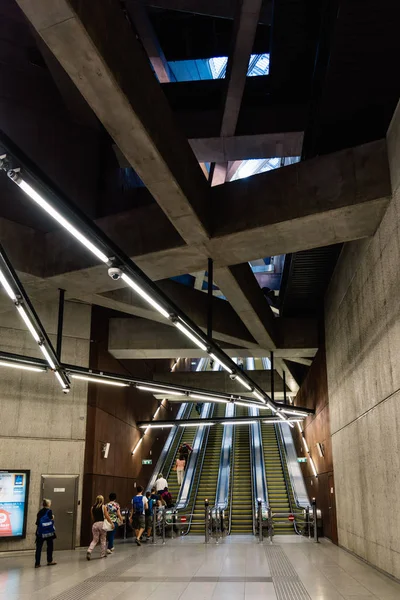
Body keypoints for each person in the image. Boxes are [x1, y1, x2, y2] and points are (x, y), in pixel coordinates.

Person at [87, 495, 114, 560]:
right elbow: (107, 516)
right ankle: (102, 554)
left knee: (95, 540)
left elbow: (93, 517)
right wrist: (111, 523)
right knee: (103, 539)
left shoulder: (92, 507)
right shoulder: (103, 507)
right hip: (102, 524)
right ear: (102, 500)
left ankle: (89, 550)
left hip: (95, 525)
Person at [35, 498, 56, 568]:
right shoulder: (49, 511)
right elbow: (51, 520)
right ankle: (49, 561)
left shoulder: (39, 512)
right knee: (50, 546)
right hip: (48, 532)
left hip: (40, 532)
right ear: (48, 504)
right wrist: (53, 517)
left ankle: (37, 563)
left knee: (38, 547)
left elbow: (37, 523)